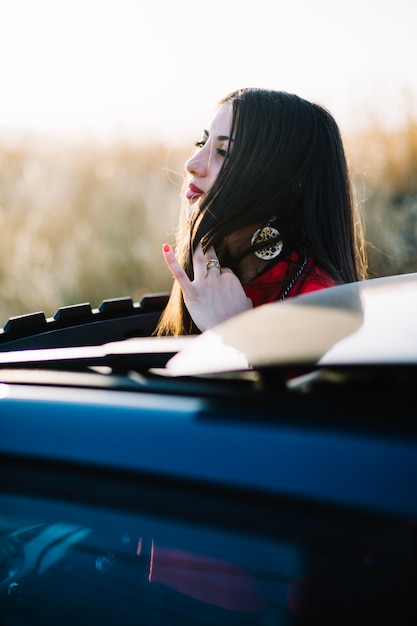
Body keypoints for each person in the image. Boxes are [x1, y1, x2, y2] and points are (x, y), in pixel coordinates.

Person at [156, 87, 367, 336]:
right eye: (202, 143)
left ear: (281, 187)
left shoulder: (319, 308)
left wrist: (231, 332)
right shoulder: (213, 277)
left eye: (224, 152)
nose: (192, 164)